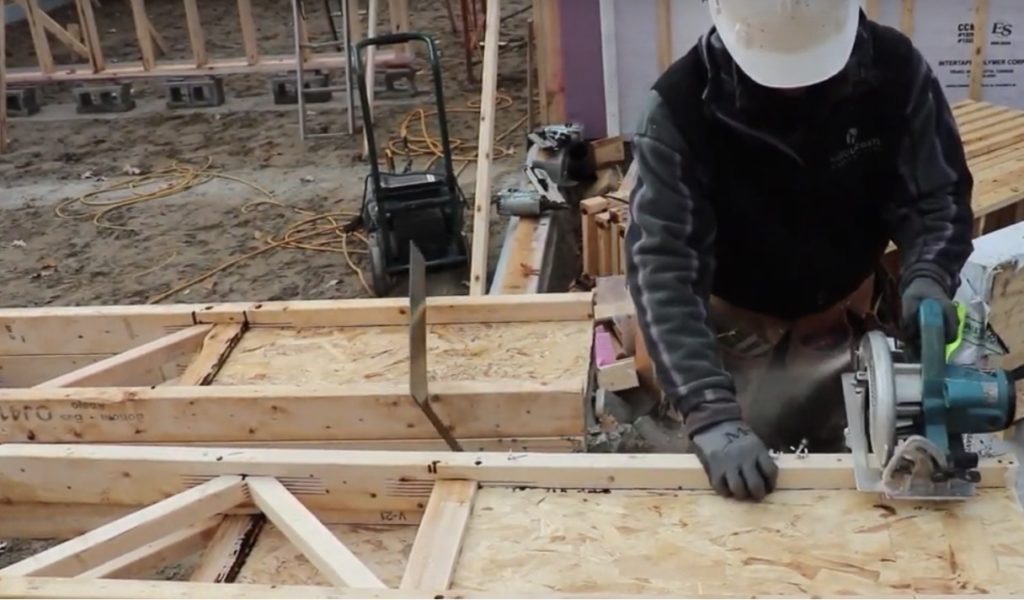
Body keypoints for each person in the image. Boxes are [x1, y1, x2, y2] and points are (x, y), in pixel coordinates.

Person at [624, 0, 974, 502]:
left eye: (809, 68)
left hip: (842, 321)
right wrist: (709, 411)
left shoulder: (894, 72)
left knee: (853, 495)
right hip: (731, 337)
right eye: (777, 70)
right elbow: (665, 274)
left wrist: (929, 274)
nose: (795, 87)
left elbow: (935, 197)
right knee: (726, 508)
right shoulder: (680, 110)